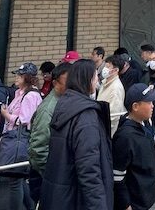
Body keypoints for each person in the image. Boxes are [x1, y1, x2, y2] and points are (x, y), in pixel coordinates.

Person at [40, 59, 113, 210]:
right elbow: (89, 168)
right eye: (95, 76)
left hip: (62, 194)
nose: (97, 80)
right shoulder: (86, 116)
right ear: (87, 79)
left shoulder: (64, 105)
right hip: (76, 198)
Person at [0, 62, 42, 210]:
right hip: (14, 139)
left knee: (14, 180)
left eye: (20, 75)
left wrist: (6, 115)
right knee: (19, 180)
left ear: (27, 77)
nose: (16, 77)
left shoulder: (30, 96)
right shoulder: (20, 93)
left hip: (20, 141)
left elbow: (24, 121)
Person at [112, 83, 155, 210]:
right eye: (148, 102)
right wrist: (125, 204)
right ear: (135, 106)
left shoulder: (143, 127)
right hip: (134, 202)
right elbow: (117, 175)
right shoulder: (125, 137)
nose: (152, 106)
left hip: (143, 198)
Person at [28, 62, 70, 203]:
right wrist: (53, 175)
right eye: (67, 82)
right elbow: (38, 149)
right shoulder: (49, 109)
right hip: (46, 178)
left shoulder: (63, 102)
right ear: (55, 83)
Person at [97, 54, 126, 137]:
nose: (105, 69)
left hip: (107, 132)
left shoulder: (116, 88)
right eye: (105, 66)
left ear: (116, 70)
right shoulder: (105, 83)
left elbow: (114, 116)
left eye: (108, 67)